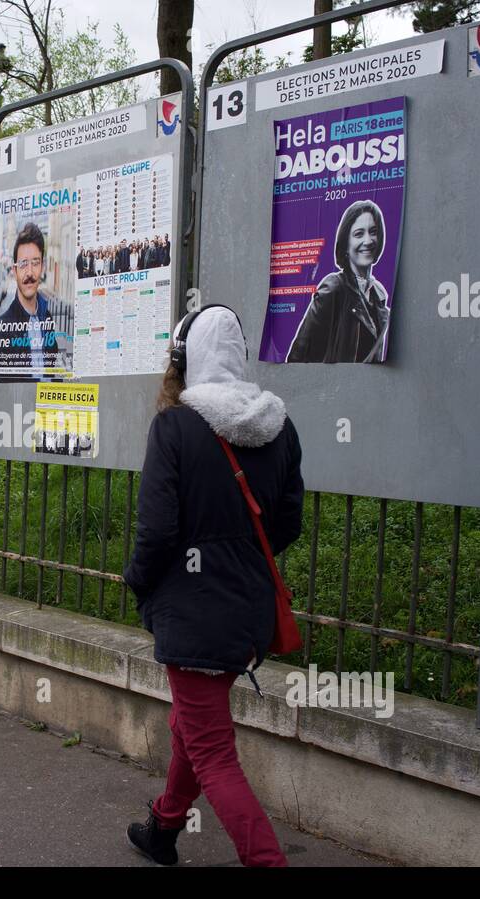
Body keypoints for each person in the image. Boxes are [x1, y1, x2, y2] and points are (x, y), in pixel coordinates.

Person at [123, 305, 304, 867]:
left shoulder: (174, 427)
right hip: (245, 615)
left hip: (194, 614)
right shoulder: (279, 426)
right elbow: (287, 524)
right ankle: (164, 827)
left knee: (212, 753)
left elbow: (156, 530)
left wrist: (137, 580)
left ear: (185, 359)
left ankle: (268, 862)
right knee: (192, 726)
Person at [286, 200, 391, 363]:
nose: (368, 241)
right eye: (358, 234)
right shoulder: (334, 288)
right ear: (345, 244)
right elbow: (298, 357)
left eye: (373, 232)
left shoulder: (379, 294)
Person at [0, 222, 65, 375]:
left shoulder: (46, 318)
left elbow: (52, 368)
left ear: (42, 267)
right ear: (15, 271)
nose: (29, 272)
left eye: (35, 263)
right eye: (23, 264)